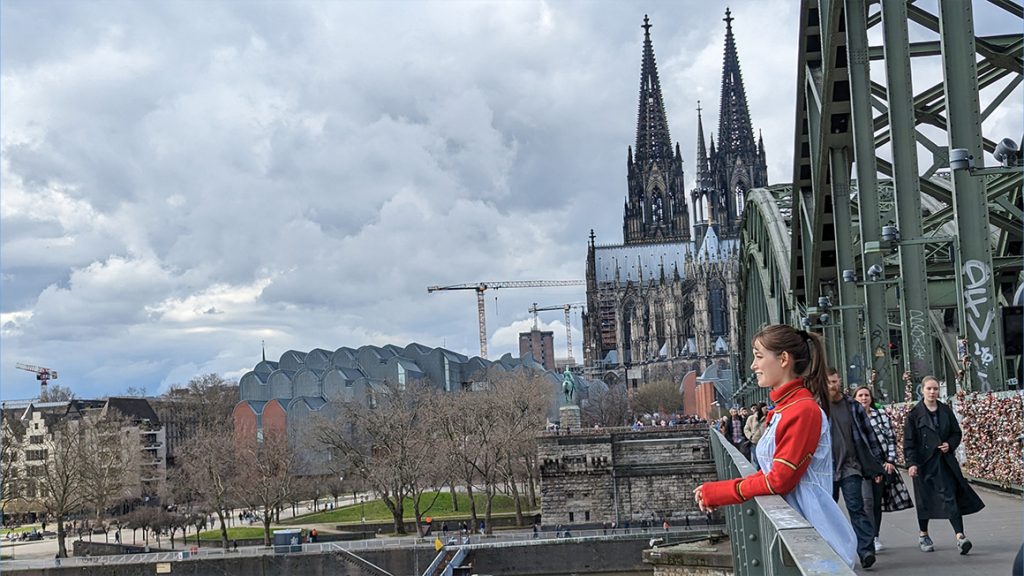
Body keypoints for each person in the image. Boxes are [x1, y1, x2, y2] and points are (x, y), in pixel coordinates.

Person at [694, 324, 856, 568]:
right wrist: (715, 492)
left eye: (759, 356)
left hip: (813, 535)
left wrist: (719, 493)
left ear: (783, 359)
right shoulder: (786, 408)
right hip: (797, 530)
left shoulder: (801, 410)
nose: (753, 366)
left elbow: (779, 480)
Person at [904, 374, 985, 554]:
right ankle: (923, 534)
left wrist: (950, 444)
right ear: (922, 390)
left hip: (944, 462)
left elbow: (956, 432)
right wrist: (911, 463)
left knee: (950, 497)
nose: (932, 392)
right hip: (924, 464)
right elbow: (909, 442)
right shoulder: (914, 414)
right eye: (929, 389)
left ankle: (960, 536)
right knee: (924, 501)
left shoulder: (945, 410)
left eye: (935, 389)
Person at [826, 369, 884, 569]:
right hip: (826, 469)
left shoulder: (853, 406)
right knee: (828, 511)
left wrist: (876, 466)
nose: (832, 386)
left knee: (856, 508)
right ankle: (834, 549)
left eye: (834, 381)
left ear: (839, 381)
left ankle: (866, 551)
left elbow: (870, 436)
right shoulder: (817, 407)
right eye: (828, 382)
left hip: (851, 467)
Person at [853, 384, 913, 552]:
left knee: (876, 503)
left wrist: (891, 461)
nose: (864, 398)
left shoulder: (880, 415)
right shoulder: (853, 419)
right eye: (860, 396)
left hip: (882, 466)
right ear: (855, 398)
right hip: (863, 467)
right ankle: (868, 537)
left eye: (866, 395)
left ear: (871, 398)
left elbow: (890, 438)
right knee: (867, 502)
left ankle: (875, 535)